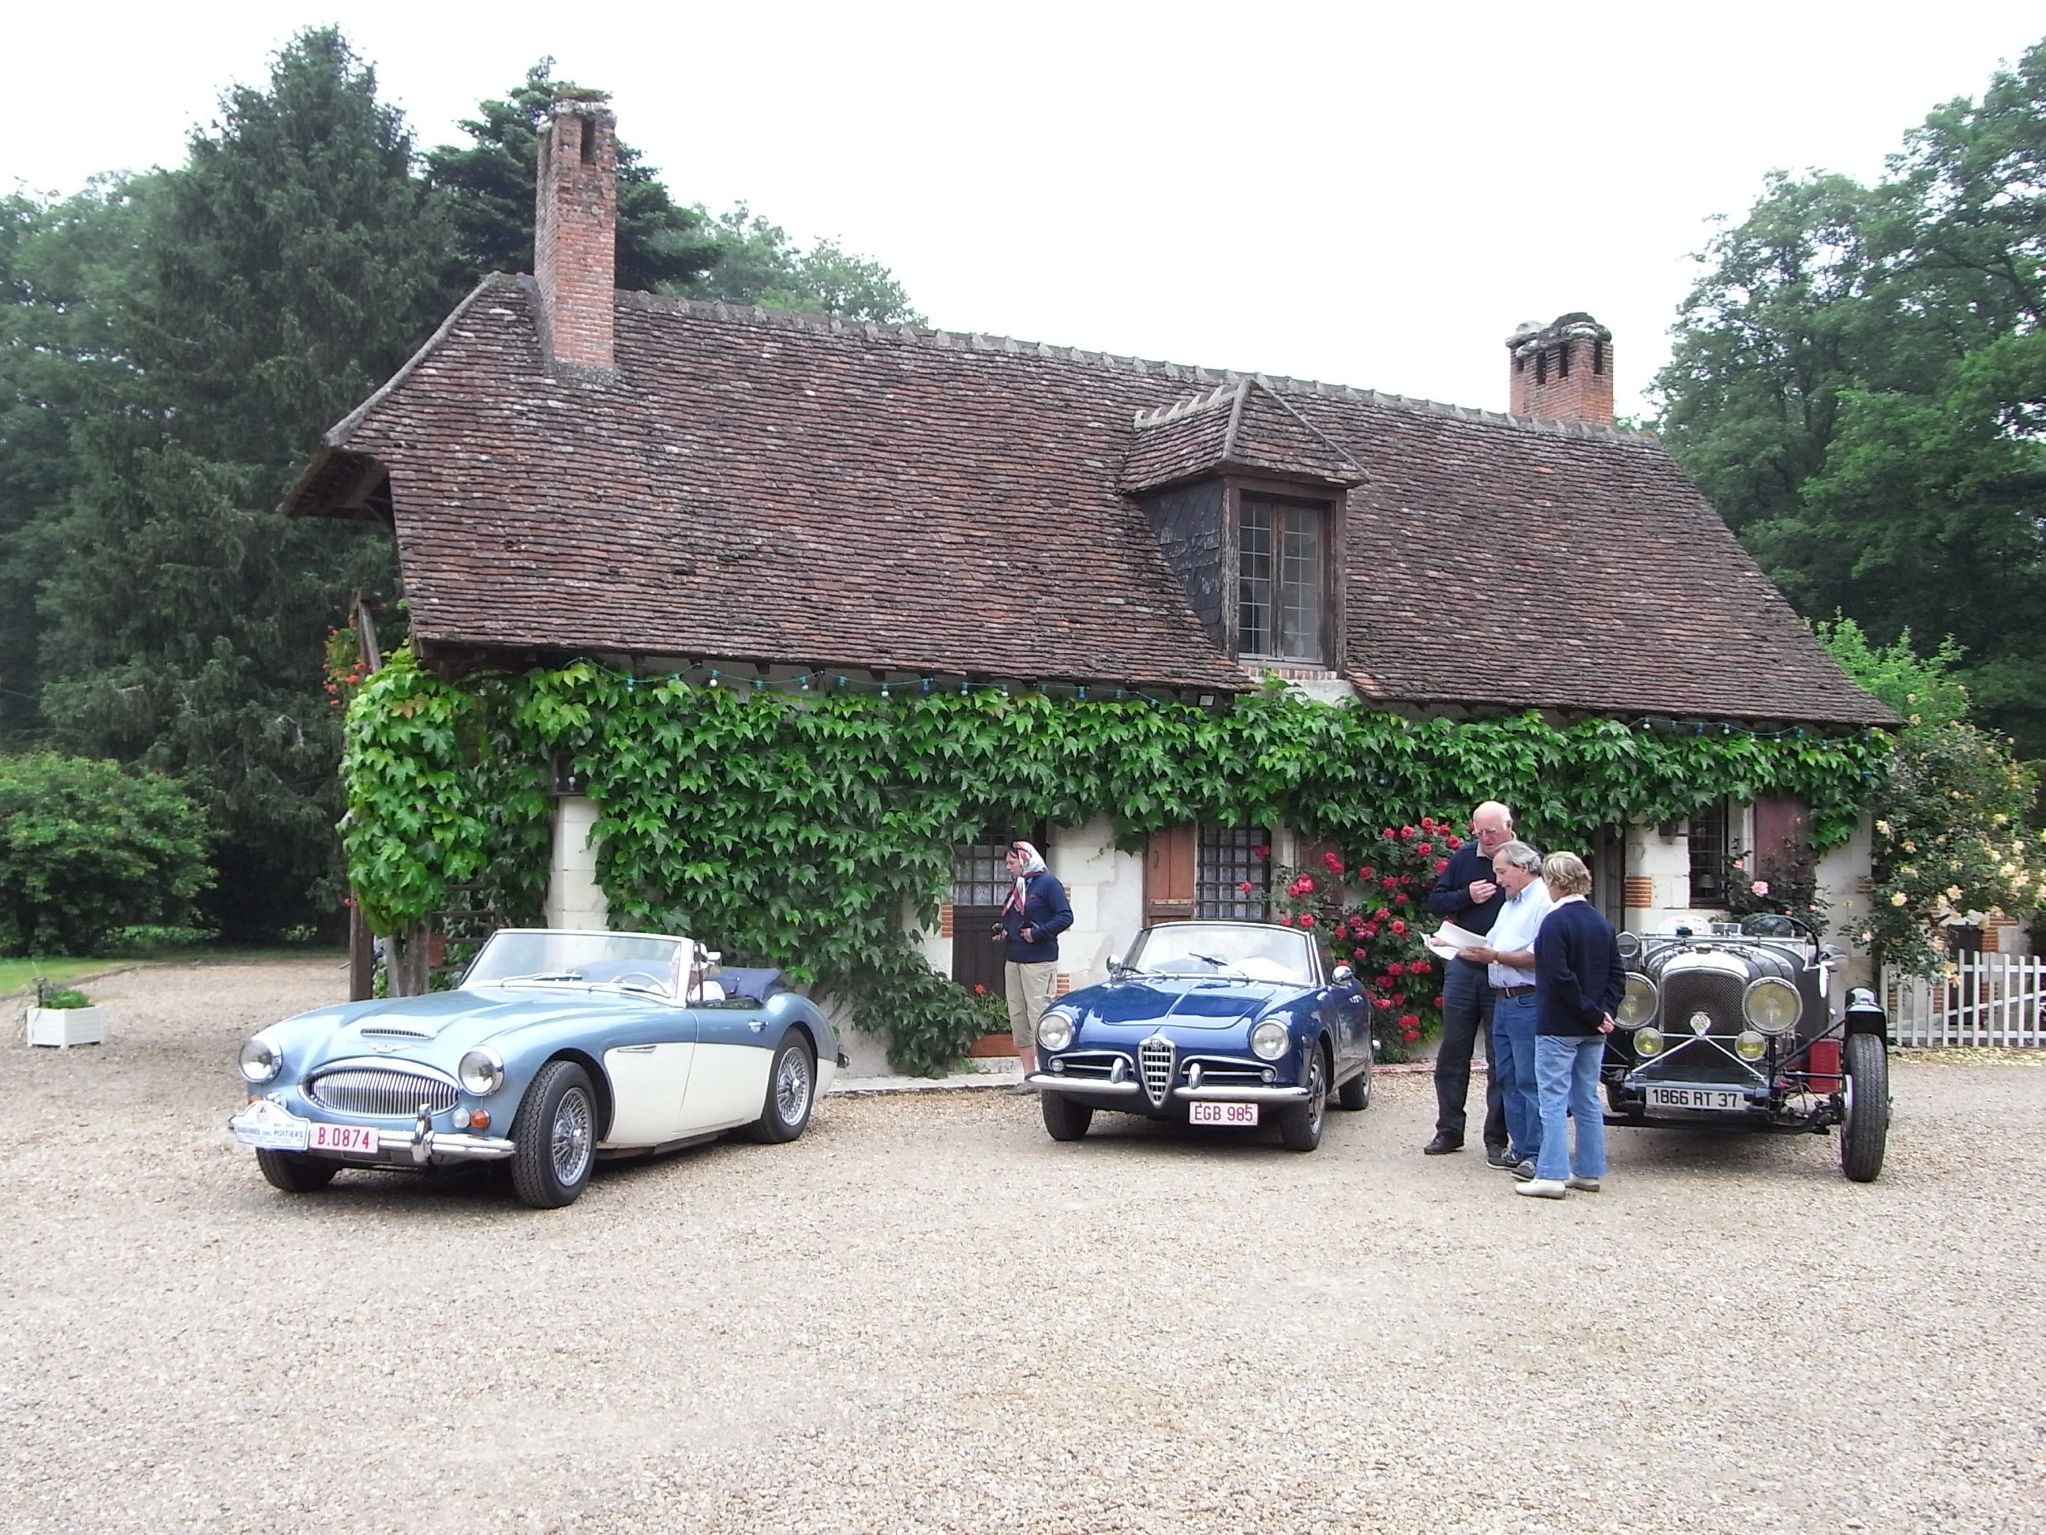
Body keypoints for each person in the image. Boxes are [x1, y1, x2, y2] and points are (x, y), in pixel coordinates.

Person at [1518, 851, 1626, 1200]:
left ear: (1558, 883)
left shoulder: (1554, 922)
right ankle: (1589, 1170)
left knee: (1551, 1098)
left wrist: (1591, 1012)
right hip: (1594, 1027)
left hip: (1560, 1024)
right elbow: (1617, 975)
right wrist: (1603, 1012)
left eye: (1548, 881)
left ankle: (1551, 1173)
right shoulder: (1601, 922)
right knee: (1587, 1098)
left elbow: (1560, 978)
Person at [1423, 800, 1516, 1159]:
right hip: (1463, 963)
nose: (1486, 838)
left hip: (1504, 968)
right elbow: (1436, 900)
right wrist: (1467, 896)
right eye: (1480, 832)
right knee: (1453, 1052)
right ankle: (1449, 1130)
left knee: (1501, 1056)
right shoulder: (1464, 858)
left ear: (1509, 826)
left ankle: (1497, 1138)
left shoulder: (1526, 860)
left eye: (1492, 831)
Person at [1460, 839, 1551, 1177]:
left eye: (1502, 872)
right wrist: (1459, 945)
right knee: (1507, 1077)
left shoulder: (1542, 901)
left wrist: (1493, 957)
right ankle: (1520, 1146)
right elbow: (1492, 943)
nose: (1498, 880)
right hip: (1504, 998)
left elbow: (1539, 955)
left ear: (1524, 868)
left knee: (1529, 1078)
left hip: (1528, 996)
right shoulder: (1512, 903)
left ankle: (1538, 1153)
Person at [993, 839, 1072, 1083]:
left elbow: (1065, 917)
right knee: (1018, 1017)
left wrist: (1038, 933)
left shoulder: (1048, 883)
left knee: (1040, 1016)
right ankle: (1029, 1077)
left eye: (1011, 861)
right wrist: (1004, 930)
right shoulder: (1019, 886)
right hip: (1014, 959)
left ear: (1026, 859)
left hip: (1039, 962)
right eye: (1007, 862)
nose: (1008, 867)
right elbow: (1017, 918)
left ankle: (1048, 1075)